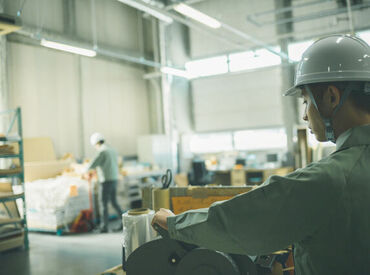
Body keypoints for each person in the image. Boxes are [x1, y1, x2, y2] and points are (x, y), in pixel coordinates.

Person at [152, 35, 370, 274]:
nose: (305, 116)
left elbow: (242, 222)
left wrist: (174, 223)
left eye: (306, 101)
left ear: (331, 97)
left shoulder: (331, 178)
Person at [87, 132, 122, 233]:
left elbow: (92, 164)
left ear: (95, 143)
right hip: (114, 179)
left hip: (106, 180)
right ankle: (124, 221)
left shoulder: (102, 151)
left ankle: (104, 227)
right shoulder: (112, 150)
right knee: (114, 202)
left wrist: (85, 170)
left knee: (103, 204)